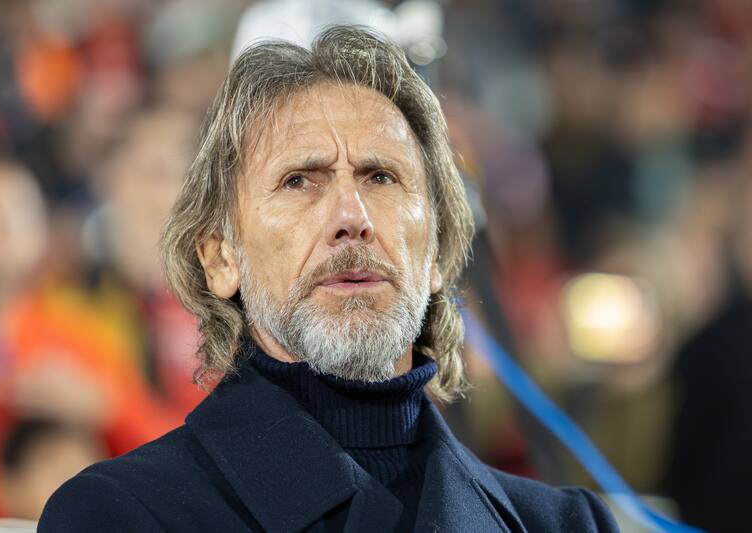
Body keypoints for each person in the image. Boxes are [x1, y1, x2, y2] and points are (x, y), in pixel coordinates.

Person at [39, 26, 619, 532]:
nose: (352, 219)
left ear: (438, 251)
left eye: (381, 177)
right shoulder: (120, 514)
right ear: (219, 258)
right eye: (300, 180)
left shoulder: (567, 523)